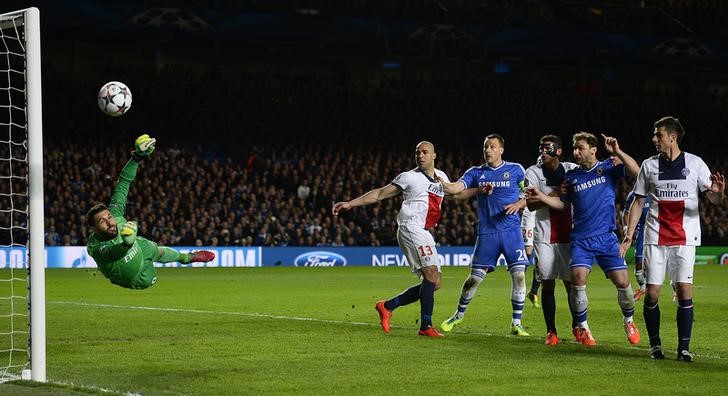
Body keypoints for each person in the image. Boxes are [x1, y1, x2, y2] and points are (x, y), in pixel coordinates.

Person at [620, 117, 725, 361]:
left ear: (672, 138)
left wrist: (719, 194)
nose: (654, 139)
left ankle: (683, 348)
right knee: (653, 294)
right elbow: (638, 201)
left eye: (658, 135)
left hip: (684, 237)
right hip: (655, 236)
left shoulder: (695, 164)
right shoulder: (649, 165)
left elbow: (714, 199)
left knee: (684, 290)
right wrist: (628, 235)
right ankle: (655, 345)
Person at [528, 132, 641, 347]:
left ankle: (629, 321)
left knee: (623, 283)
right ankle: (584, 327)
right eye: (574, 148)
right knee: (577, 280)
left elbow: (636, 172)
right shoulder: (572, 177)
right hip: (581, 239)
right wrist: (542, 197)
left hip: (607, 238)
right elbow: (563, 205)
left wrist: (617, 151)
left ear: (593, 149)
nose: (576, 152)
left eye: (580, 148)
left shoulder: (609, 167)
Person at [332, 141, 454, 337]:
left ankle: (387, 306)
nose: (420, 156)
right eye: (417, 153)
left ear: (434, 156)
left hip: (425, 231)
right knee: (431, 275)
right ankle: (425, 326)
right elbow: (380, 194)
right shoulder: (409, 177)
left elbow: (457, 194)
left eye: (425, 152)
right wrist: (350, 204)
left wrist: (479, 190)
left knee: (435, 283)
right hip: (410, 227)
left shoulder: (442, 178)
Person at [86, 134, 215, 290]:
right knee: (151, 278)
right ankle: (148, 256)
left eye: (109, 217)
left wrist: (136, 158)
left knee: (154, 249)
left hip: (136, 247)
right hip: (136, 277)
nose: (110, 222)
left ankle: (187, 257)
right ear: (94, 229)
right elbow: (113, 254)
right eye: (102, 222)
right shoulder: (95, 247)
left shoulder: (116, 215)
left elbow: (124, 183)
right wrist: (126, 245)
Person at [439, 133, 531, 337]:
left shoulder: (516, 170)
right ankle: (458, 315)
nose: (488, 150)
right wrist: (444, 184)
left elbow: (529, 194)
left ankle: (516, 323)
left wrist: (519, 203)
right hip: (487, 233)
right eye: (485, 147)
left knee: (519, 275)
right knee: (474, 279)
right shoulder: (476, 173)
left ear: (501, 150)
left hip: (511, 232)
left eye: (492, 146)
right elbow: (456, 192)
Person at [524, 135, 581, 346]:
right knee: (547, 282)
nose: (542, 152)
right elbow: (530, 205)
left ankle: (578, 326)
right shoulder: (533, 172)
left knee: (572, 284)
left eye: (547, 149)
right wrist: (555, 193)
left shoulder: (572, 169)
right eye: (541, 149)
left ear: (558, 151)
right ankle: (551, 331)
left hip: (570, 234)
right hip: (544, 235)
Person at [621, 190, 650, 300]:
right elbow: (626, 213)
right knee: (638, 267)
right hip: (641, 232)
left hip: (656, 230)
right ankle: (642, 288)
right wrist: (626, 229)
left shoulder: (655, 190)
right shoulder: (633, 194)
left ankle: (676, 290)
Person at [522, 205, 541, 309]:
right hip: (529, 215)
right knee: (527, 252)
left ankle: (533, 292)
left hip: (544, 217)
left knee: (541, 260)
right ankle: (521, 289)